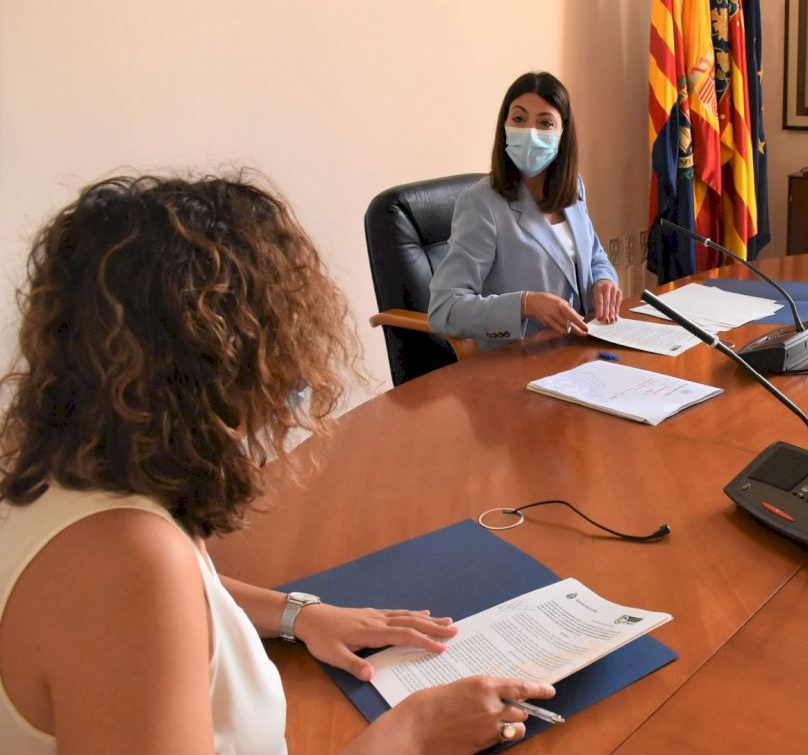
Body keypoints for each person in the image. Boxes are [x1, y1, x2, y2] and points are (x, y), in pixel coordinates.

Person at [0, 174, 553, 754]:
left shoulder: (70, 479)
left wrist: (296, 615)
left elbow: (183, 594)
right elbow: (140, 595)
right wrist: (410, 734)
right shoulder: (128, 564)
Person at [429, 71, 621, 349]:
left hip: (582, 346)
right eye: (519, 119)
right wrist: (524, 304)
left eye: (545, 122)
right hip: (523, 357)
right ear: (505, 125)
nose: (530, 132)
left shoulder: (573, 188)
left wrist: (604, 280)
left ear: (563, 133)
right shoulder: (481, 203)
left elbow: (595, 256)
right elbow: (444, 309)